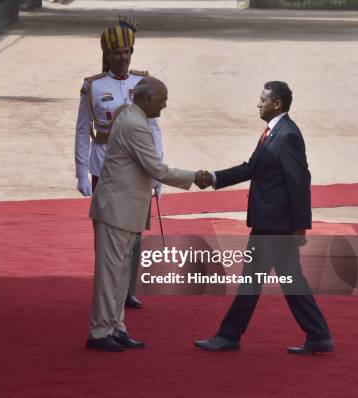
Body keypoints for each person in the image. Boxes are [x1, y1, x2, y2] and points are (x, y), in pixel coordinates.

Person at [193, 81, 333, 355]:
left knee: (252, 281)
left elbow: (299, 182)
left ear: (277, 104)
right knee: (289, 281)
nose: (258, 104)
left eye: (262, 100)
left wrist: (300, 228)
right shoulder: (273, 132)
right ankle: (318, 335)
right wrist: (213, 177)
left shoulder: (287, 135)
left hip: (275, 227)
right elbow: (251, 168)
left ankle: (228, 335)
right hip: (271, 224)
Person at [86, 77, 205, 352]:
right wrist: (195, 177)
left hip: (124, 208)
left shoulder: (132, 117)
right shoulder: (134, 124)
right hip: (116, 209)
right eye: (162, 101)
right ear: (148, 98)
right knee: (110, 275)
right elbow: (156, 168)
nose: (164, 106)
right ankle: (99, 331)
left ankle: (116, 327)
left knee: (121, 273)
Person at [75, 16, 162, 309]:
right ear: (107, 55)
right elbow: (81, 131)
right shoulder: (93, 87)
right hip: (104, 168)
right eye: (117, 53)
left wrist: (159, 173)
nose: (122, 57)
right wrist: (82, 174)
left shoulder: (143, 82)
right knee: (108, 233)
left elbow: (154, 130)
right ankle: (109, 287)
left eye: (126, 52)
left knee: (136, 231)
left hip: (139, 170)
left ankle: (128, 290)